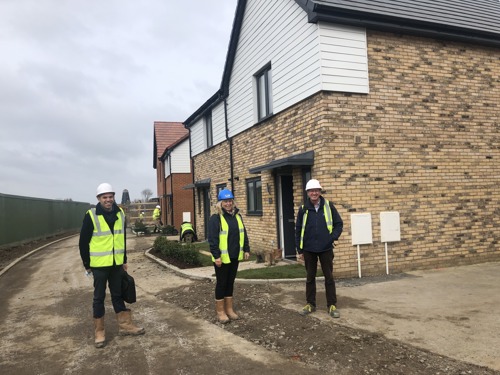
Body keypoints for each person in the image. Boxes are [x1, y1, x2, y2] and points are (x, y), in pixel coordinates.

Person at [79, 183, 145, 348]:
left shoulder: (120, 213)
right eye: (104, 197)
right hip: (99, 266)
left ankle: (125, 326)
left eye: (110, 197)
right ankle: (99, 332)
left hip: (116, 265)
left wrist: (124, 260)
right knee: (99, 298)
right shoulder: (91, 215)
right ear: (99, 199)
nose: (108, 200)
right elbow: (83, 242)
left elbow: (121, 238)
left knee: (118, 295)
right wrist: (87, 264)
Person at [295, 179, 343, 318]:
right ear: (308, 193)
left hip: (326, 248)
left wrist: (332, 238)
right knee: (310, 278)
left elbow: (338, 224)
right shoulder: (303, 208)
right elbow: (298, 229)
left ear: (320, 192)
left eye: (316, 190)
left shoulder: (329, 206)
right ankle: (310, 304)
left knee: (329, 278)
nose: (314, 193)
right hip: (309, 249)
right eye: (311, 191)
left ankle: (332, 305)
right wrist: (300, 249)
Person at [207, 189, 250, 323]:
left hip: (234, 255)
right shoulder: (216, 218)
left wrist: (246, 249)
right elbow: (213, 239)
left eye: (230, 201)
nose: (228, 203)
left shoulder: (237, 216)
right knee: (221, 283)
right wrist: (216, 256)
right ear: (220, 203)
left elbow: (243, 233)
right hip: (222, 258)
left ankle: (229, 309)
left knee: (230, 283)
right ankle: (221, 312)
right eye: (225, 201)